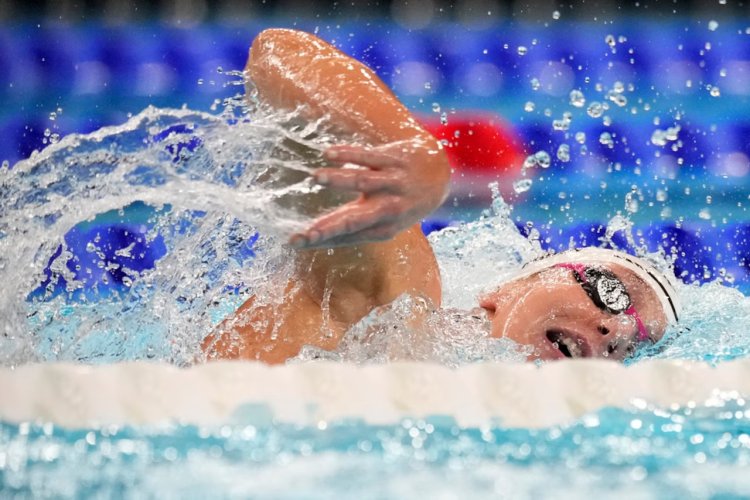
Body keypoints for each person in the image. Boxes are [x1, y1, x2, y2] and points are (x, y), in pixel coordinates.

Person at [201, 28, 681, 364]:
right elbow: (279, 52)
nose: (612, 329)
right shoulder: (398, 305)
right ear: (507, 288)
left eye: (631, 347)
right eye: (609, 293)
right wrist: (412, 152)